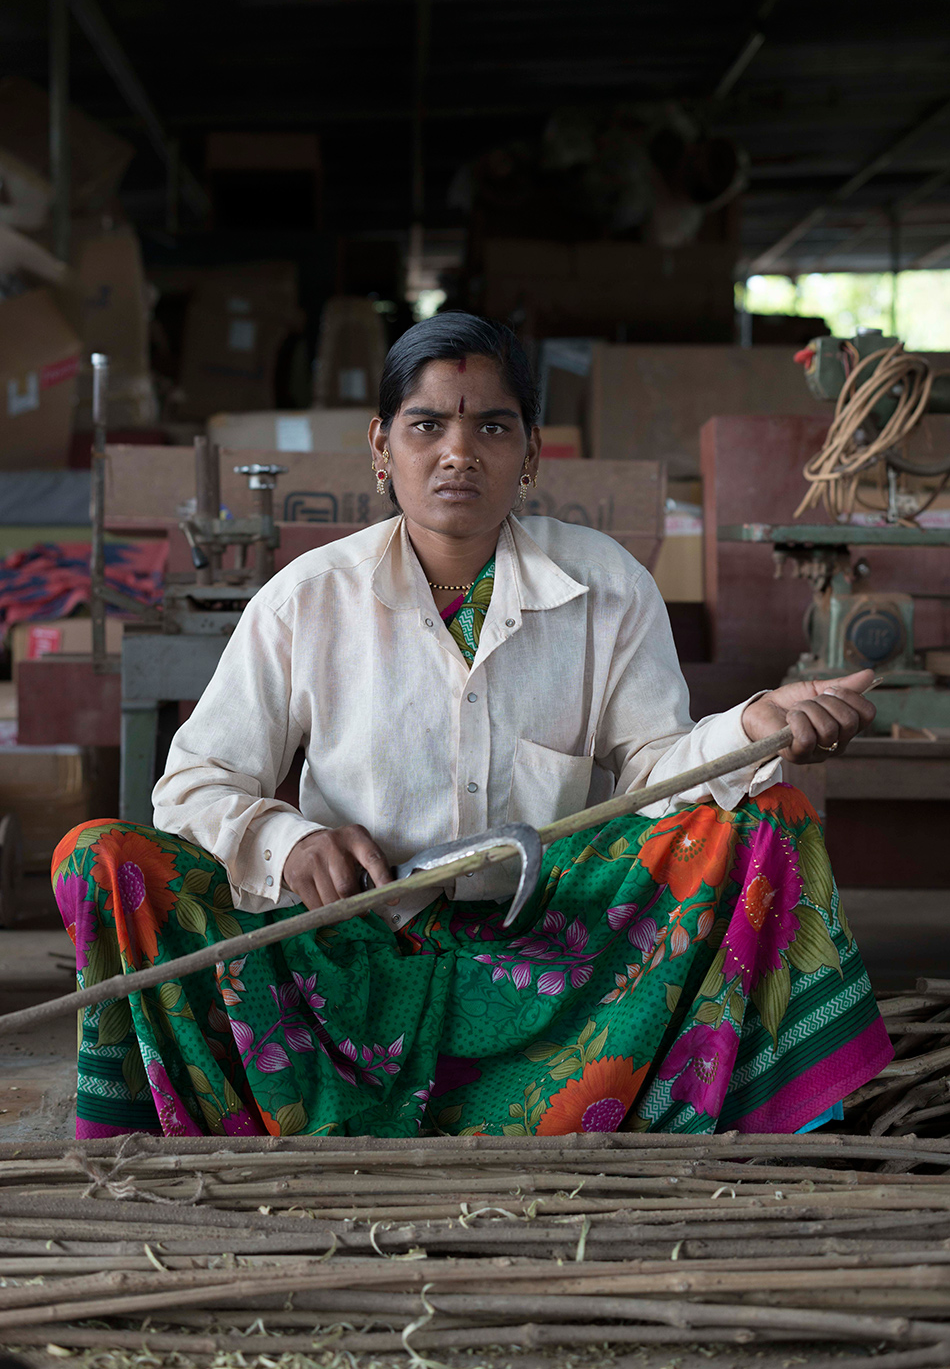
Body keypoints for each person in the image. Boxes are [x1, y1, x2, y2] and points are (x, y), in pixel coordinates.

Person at [53, 312, 891, 1140]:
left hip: (559, 967)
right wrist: (290, 843)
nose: (459, 452)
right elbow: (194, 785)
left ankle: (787, 1123)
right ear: (383, 449)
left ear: (529, 454)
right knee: (100, 857)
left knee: (771, 824)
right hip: (348, 971)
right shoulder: (307, 597)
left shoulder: (606, 583)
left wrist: (753, 723)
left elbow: (657, 777)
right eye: (428, 425)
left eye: (492, 425)